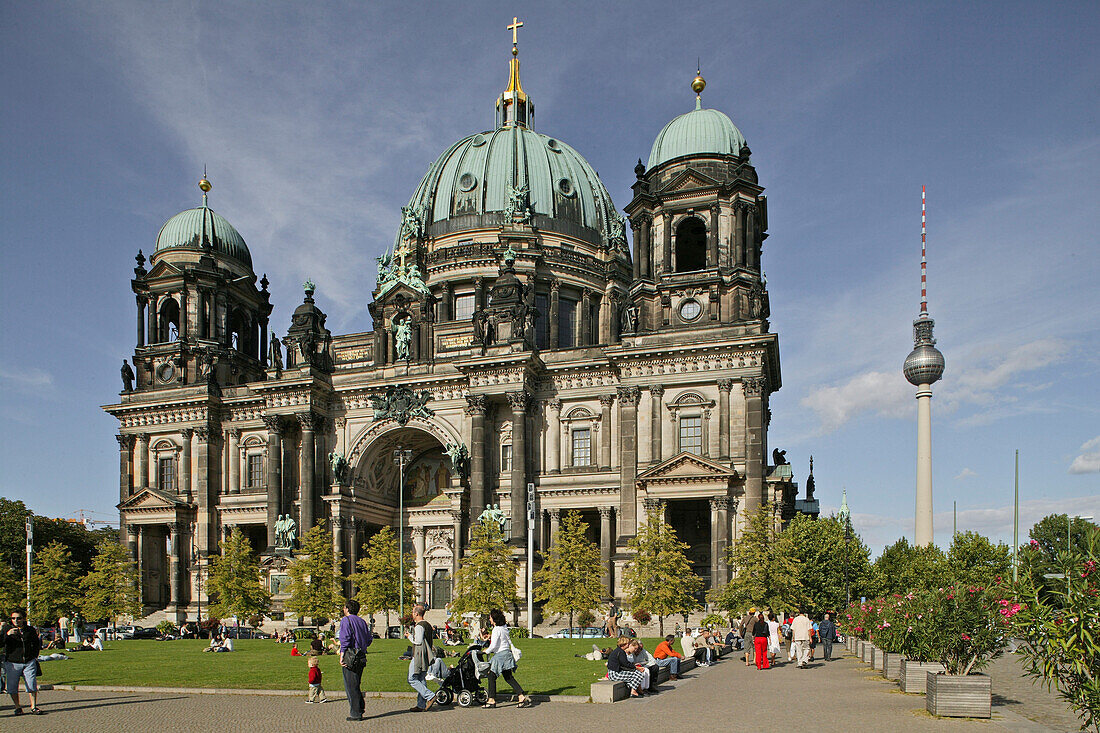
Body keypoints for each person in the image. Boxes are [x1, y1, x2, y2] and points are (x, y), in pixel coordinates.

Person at [481, 608, 531, 708]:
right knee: (508, 677)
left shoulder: (496, 629)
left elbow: (494, 646)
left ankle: (491, 700)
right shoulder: (504, 628)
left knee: (491, 676)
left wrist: (484, 651)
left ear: (494, 619)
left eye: (490, 617)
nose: (490, 619)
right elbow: (506, 641)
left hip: (500, 656)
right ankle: (521, 696)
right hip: (507, 654)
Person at [4, 607, 44, 715]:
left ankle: (34, 706)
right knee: (12, 686)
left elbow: (36, 644)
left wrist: (34, 656)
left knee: (31, 683)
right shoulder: (7, 629)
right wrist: (7, 635)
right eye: (13, 618)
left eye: (19, 618)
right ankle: (17, 707)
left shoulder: (29, 630)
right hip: (12, 662)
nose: (16, 620)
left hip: (28, 661)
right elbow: (1, 643)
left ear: (23, 619)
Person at [339, 598, 373, 722]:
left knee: (350, 685)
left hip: (350, 655)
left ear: (347, 609)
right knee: (356, 683)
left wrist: (342, 655)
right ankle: (360, 707)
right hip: (361, 655)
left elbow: (345, 639)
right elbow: (369, 639)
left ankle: (356, 713)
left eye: (344, 607)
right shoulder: (362, 622)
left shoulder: (346, 620)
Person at [405, 604, 436, 712]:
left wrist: (409, 636)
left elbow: (418, 641)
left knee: (412, 679)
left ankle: (430, 696)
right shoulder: (427, 624)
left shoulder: (419, 626)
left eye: (413, 612)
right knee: (421, 679)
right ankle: (421, 704)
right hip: (426, 654)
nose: (412, 614)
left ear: (416, 614)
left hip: (419, 655)